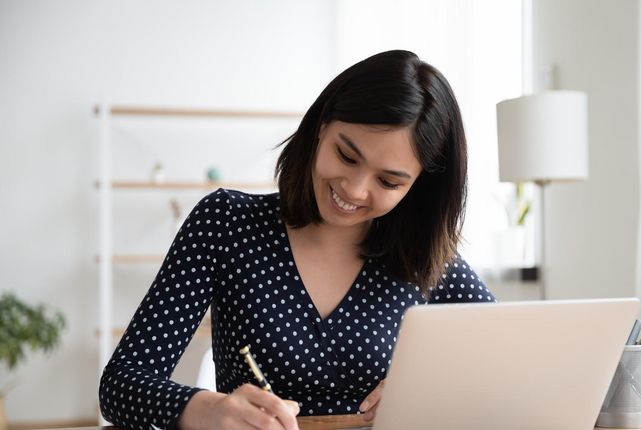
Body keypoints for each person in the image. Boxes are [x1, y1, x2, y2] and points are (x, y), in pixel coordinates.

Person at [99, 49, 496, 430]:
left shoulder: (427, 259)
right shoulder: (226, 224)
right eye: (347, 156)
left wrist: (434, 391)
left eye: (389, 181)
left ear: (417, 188)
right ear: (323, 126)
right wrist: (210, 410)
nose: (355, 190)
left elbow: (512, 368)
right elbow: (120, 384)